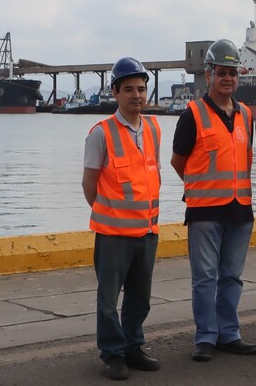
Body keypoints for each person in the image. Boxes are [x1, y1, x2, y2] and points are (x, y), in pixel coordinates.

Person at [170, 39, 256, 362]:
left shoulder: (246, 115)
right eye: (222, 72)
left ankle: (229, 333)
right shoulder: (192, 115)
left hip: (240, 210)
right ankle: (206, 336)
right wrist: (199, 188)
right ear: (209, 75)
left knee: (232, 276)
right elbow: (178, 161)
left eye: (233, 73)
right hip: (205, 211)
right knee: (205, 278)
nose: (228, 79)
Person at [82, 57, 162, 381]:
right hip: (113, 234)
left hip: (147, 231)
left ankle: (133, 346)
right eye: (128, 89)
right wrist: (110, 214)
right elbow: (89, 184)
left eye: (141, 89)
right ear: (115, 92)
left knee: (140, 298)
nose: (136, 95)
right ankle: (113, 354)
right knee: (108, 300)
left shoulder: (154, 128)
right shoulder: (101, 134)